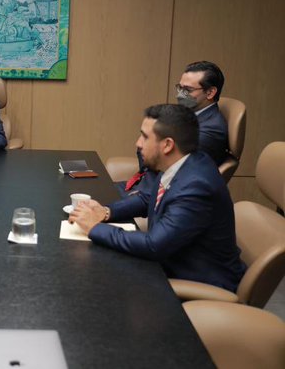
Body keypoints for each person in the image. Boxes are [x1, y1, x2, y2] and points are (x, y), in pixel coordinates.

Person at [70, 104, 245, 291]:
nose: (138, 143)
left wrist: (94, 228)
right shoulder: (182, 162)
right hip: (170, 260)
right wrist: (106, 212)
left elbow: (153, 245)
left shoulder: (196, 186)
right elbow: (148, 199)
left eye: (145, 137)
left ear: (167, 145)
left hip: (199, 280)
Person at [119, 61, 229, 196]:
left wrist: (150, 148)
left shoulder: (211, 130)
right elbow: (147, 153)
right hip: (141, 184)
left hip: (153, 195)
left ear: (210, 92)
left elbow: (163, 167)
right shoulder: (188, 115)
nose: (180, 95)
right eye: (180, 88)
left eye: (187, 90)